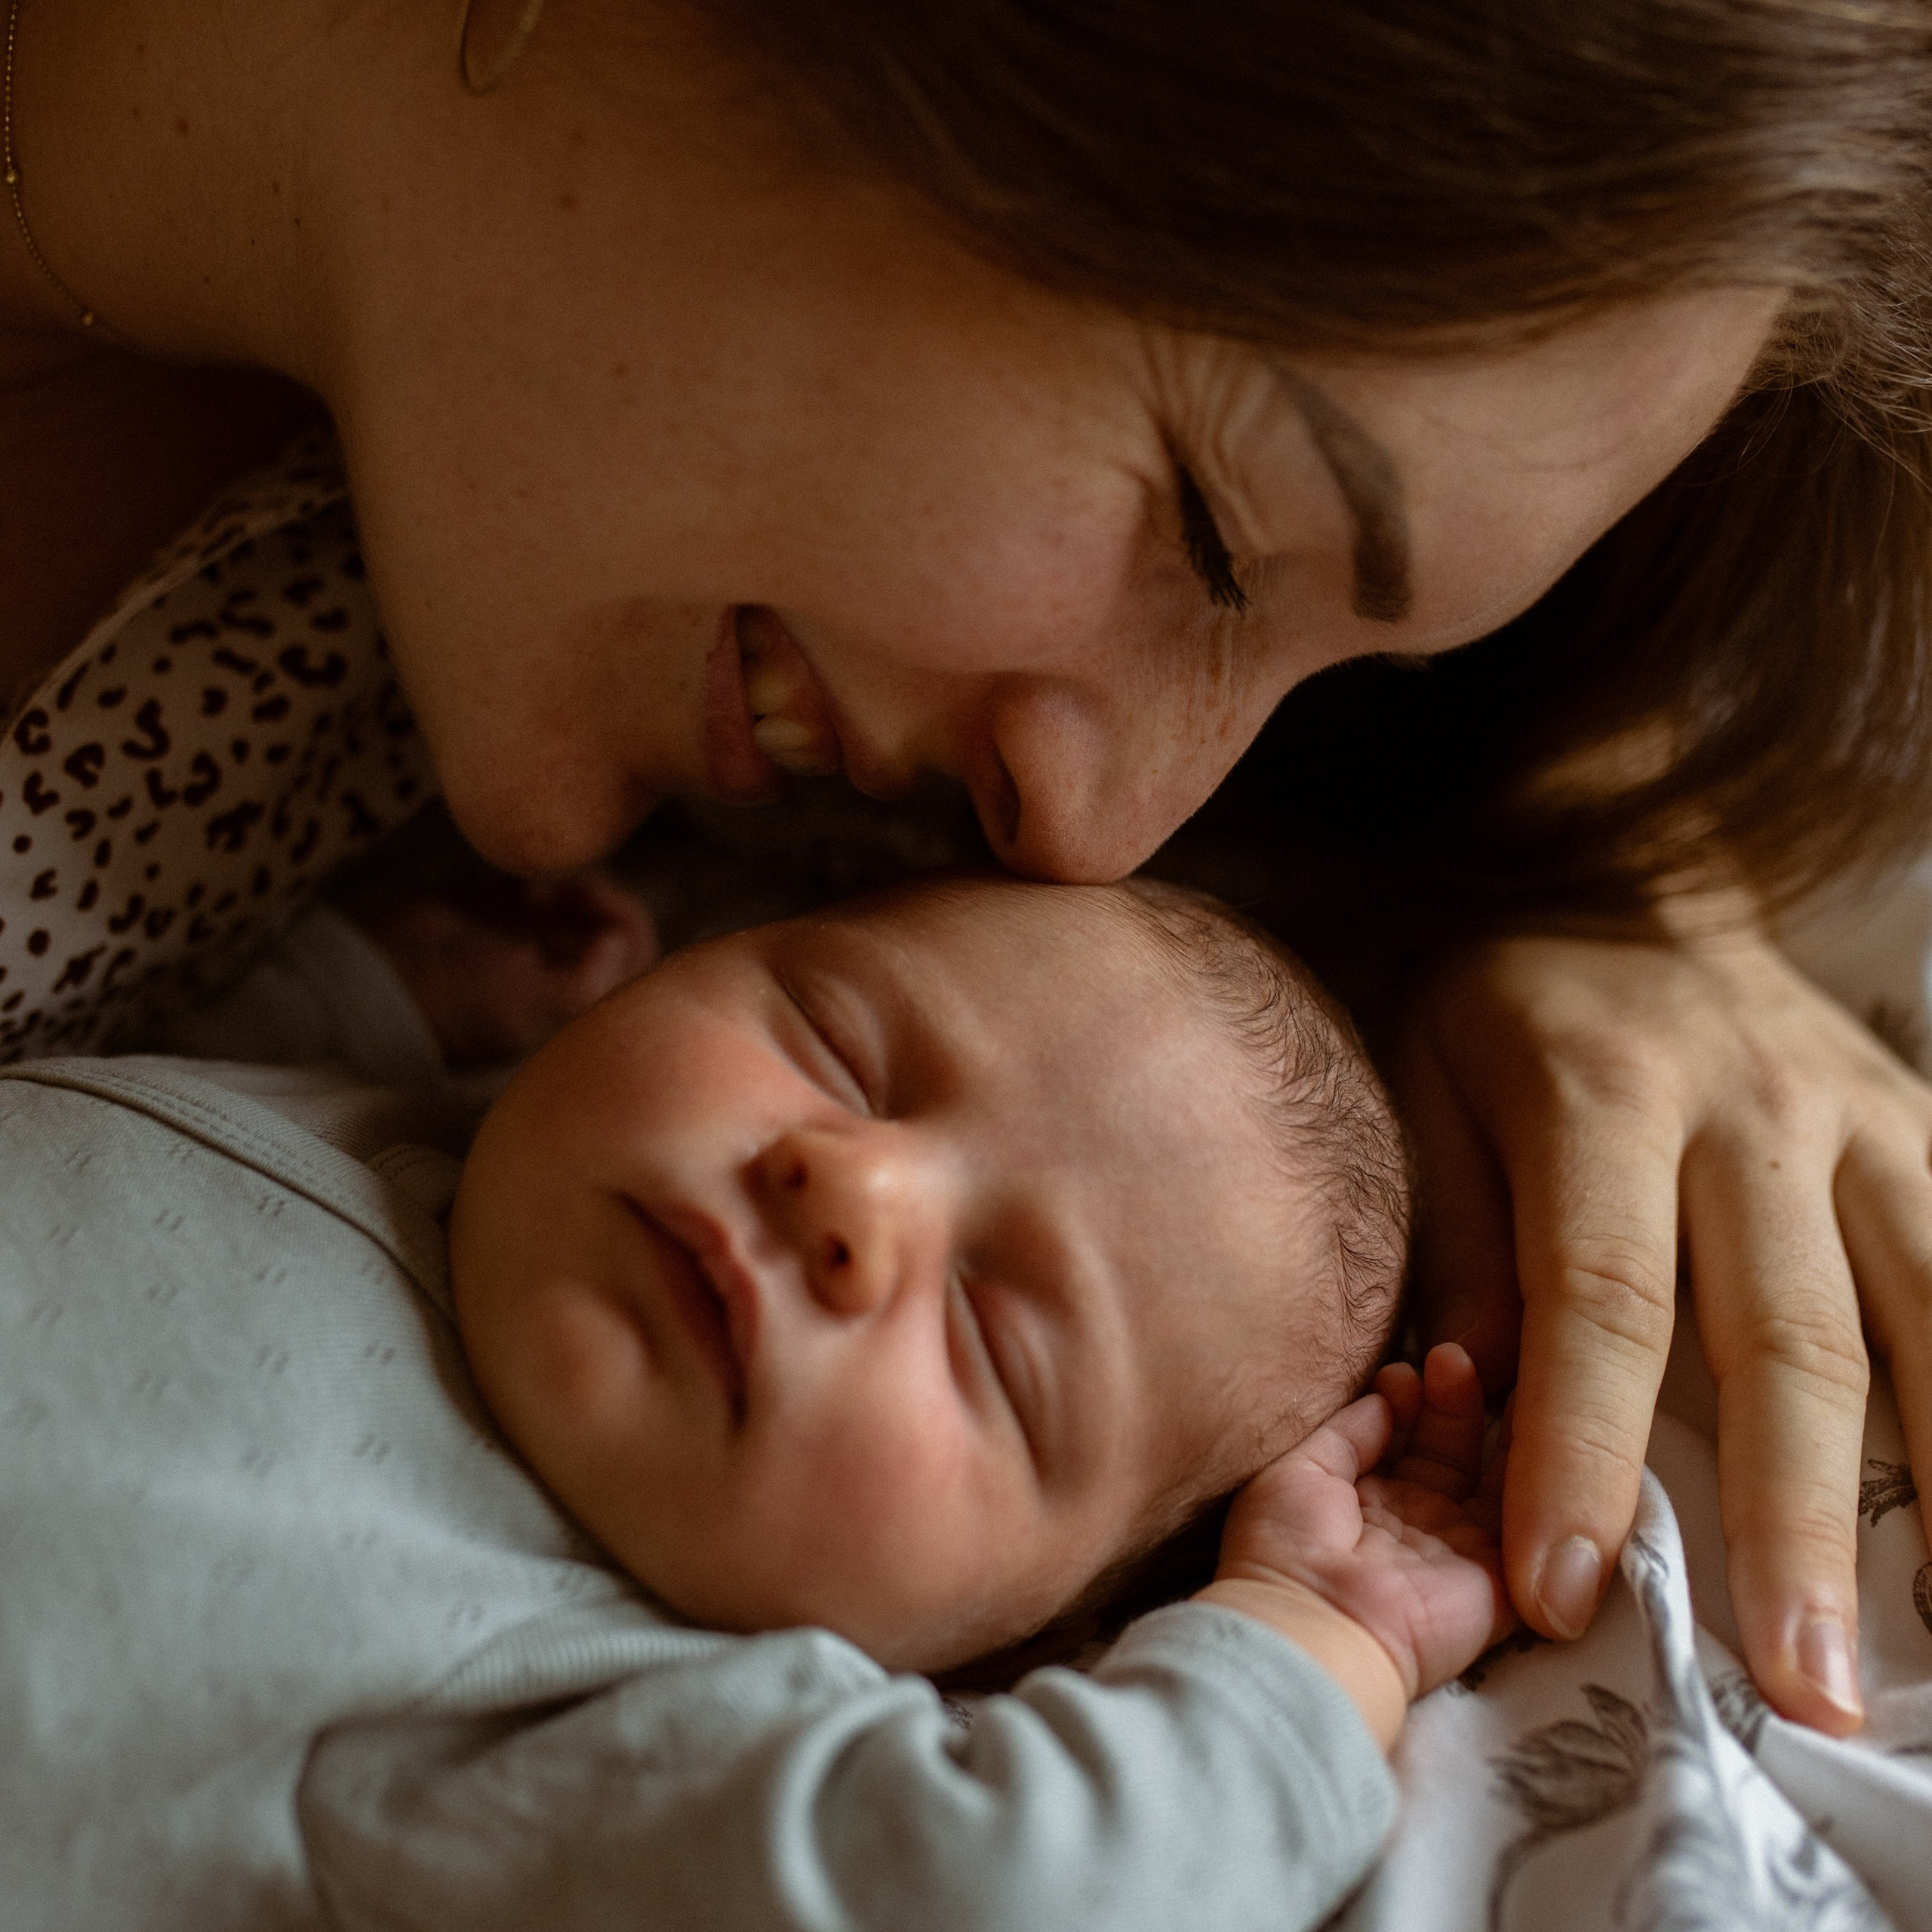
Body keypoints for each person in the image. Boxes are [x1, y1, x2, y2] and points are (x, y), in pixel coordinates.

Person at [2, 0, 1927, 1737]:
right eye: (1215, 540)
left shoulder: (616, 664)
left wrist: (1610, 894)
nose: (1091, 842)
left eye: (1348, 659)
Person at [0, 870, 1513, 1928]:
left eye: (988, 1337)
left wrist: (1314, 1637)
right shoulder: (421, 1134)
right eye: (837, 1050)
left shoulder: (597, 1720)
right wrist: (382, 984)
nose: (850, 1182)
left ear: (1020, 1645)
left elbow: (1012, 1891)